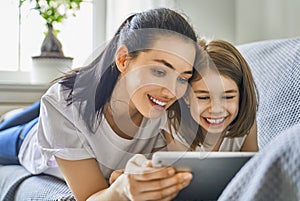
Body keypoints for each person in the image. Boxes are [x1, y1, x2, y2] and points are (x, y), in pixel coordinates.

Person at [0, 8, 201, 201]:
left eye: (183, 78)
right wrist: (122, 190)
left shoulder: (172, 114)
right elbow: (90, 196)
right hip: (26, 139)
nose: (172, 91)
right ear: (123, 60)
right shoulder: (65, 104)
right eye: (159, 72)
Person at [164, 39, 259, 152]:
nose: (216, 109)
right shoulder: (174, 125)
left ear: (241, 96)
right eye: (204, 97)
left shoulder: (247, 126)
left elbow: (254, 167)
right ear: (186, 97)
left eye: (228, 97)